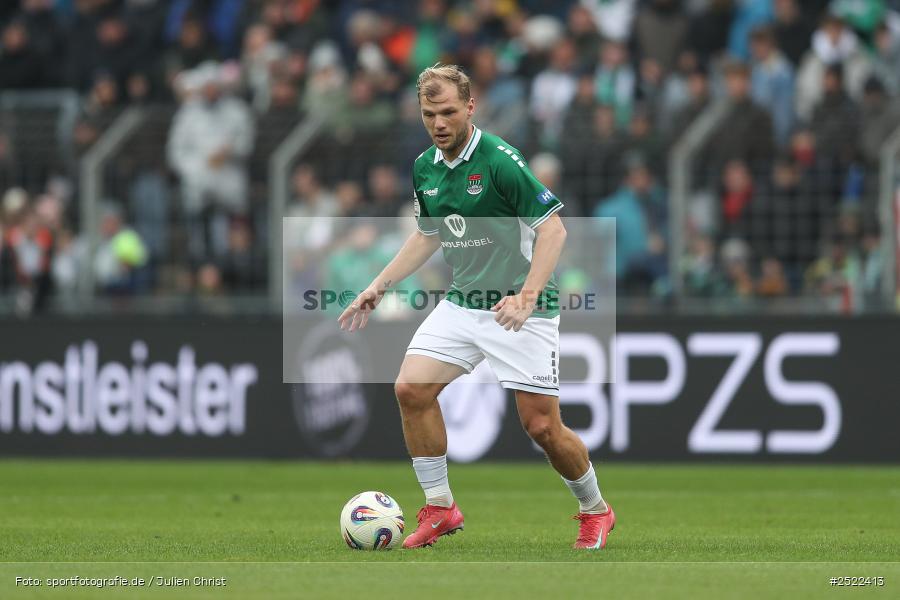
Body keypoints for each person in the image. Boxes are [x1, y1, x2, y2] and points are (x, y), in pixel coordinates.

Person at [337, 64, 614, 550]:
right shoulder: (425, 166)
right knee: (411, 390)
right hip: (465, 302)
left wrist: (527, 297)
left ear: (469, 107)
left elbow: (554, 230)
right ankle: (441, 507)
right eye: (429, 114)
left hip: (522, 306)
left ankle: (596, 509)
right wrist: (378, 284)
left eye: (447, 112)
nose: (438, 123)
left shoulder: (501, 161)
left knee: (542, 427)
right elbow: (428, 236)